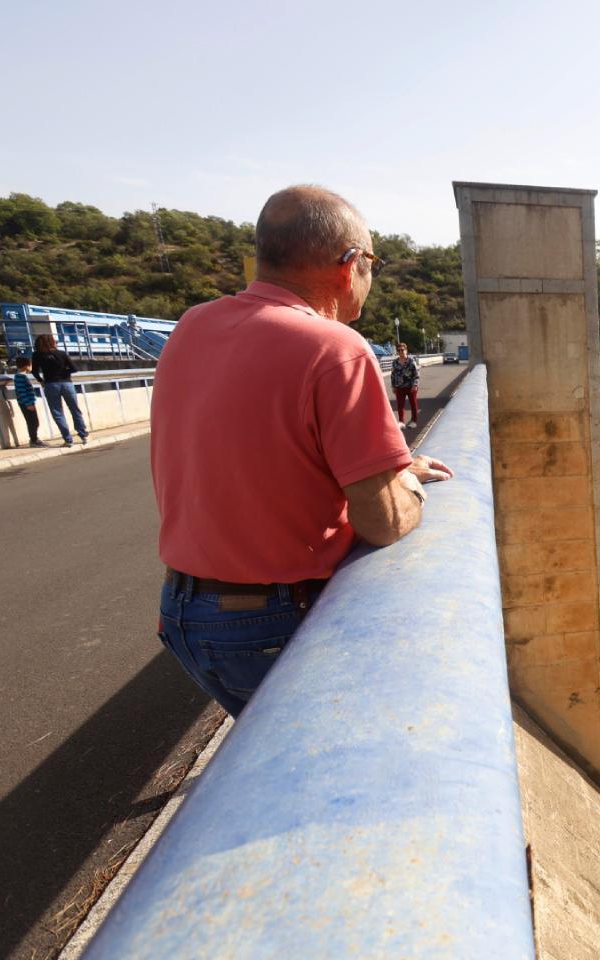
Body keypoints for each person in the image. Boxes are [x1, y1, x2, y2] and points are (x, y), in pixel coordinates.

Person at [150, 184, 452, 716]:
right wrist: (405, 482)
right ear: (350, 263)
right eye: (372, 264)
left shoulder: (192, 326)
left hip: (183, 612)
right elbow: (383, 521)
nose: (370, 278)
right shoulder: (334, 348)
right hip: (267, 620)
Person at [30, 333, 89, 446]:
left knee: (57, 412)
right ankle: (83, 434)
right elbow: (74, 368)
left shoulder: (37, 355)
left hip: (50, 384)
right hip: (66, 383)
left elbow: (34, 371)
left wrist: (41, 381)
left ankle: (68, 439)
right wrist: (64, 373)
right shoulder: (61, 353)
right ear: (53, 342)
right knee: (74, 410)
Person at [11, 356, 46, 447]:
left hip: (28, 402)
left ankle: (34, 438)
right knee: (32, 422)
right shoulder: (20, 377)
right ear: (26, 366)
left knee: (34, 421)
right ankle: (33, 440)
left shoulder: (22, 376)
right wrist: (28, 404)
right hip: (26, 403)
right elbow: (22, 392)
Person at [390, 341, 420, 429]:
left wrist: (414, 385)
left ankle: (414, 421)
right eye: (399, 350)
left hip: (410, 387)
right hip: (399, 387)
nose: (401, 352)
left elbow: (416, 374)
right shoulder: (395, 362)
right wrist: (393, 386)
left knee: (413, 404)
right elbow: (393, 375)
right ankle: (401, 422)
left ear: (406, 350)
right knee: (400, 405)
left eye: (402, 350)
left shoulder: (411, 362)